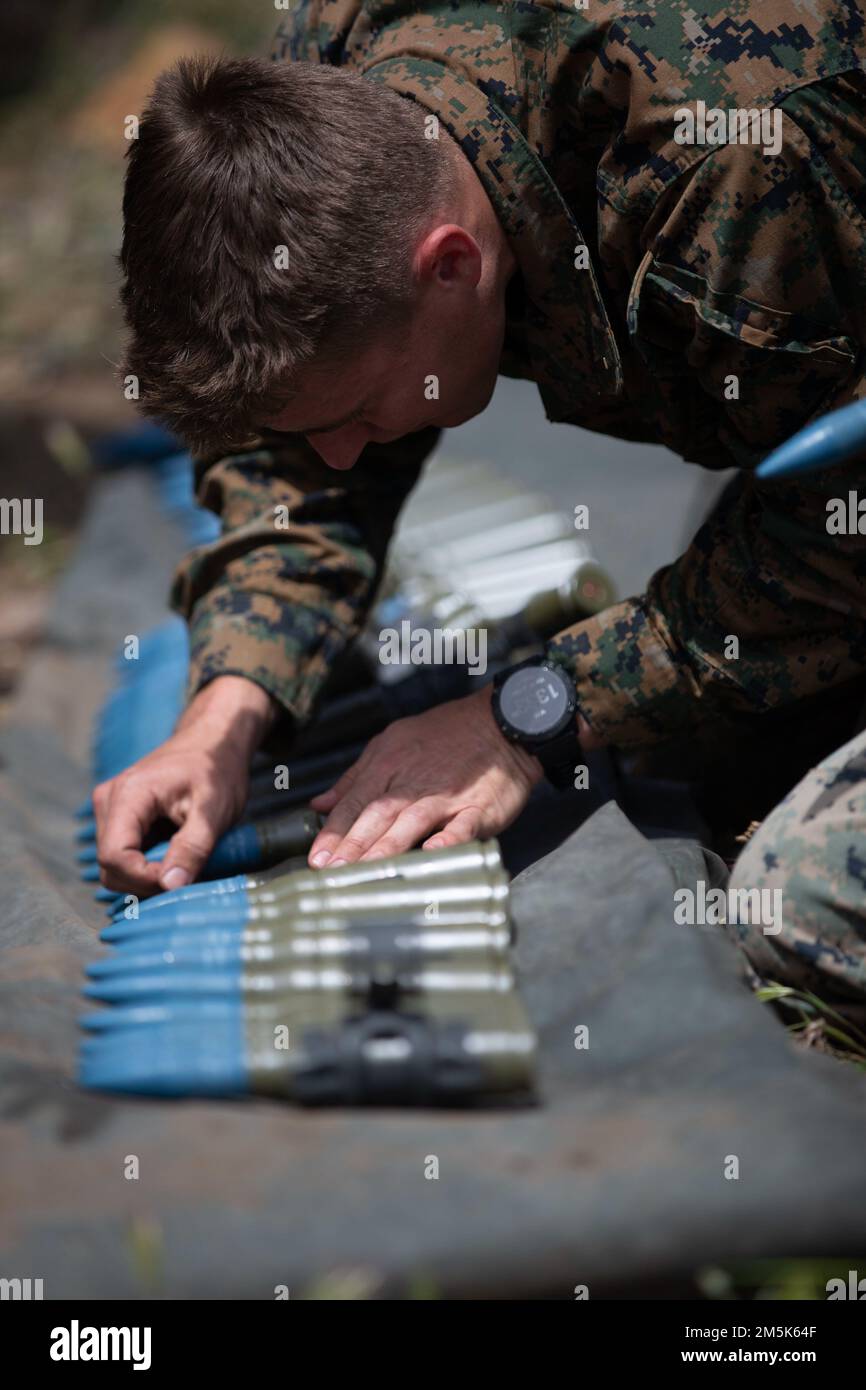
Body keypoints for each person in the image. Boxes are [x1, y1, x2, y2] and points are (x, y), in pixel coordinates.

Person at [95, 2, 866, 1014]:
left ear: (450, 265)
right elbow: (291, 441)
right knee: (719, 723)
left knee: (793, 897)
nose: (333, 453)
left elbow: (835, 526)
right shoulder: (320, 99)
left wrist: (536, 713)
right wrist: (230, 703)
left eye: (360, 412)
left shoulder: (734, 166)